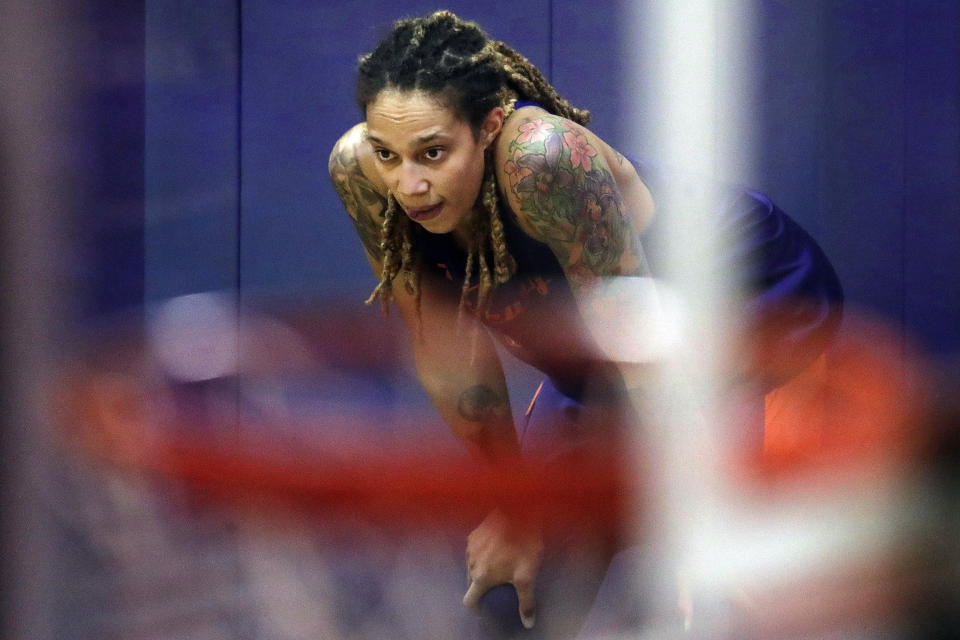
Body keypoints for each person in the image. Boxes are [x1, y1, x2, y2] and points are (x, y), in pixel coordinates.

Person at [328, 10, 842, 638]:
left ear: (489, 126)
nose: (409, 183)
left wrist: (684, 524)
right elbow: (444, 345)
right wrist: (513, 506)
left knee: (731, 590)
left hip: (747, 312)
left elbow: (637, 330)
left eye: (433, 153)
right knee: (519, 580)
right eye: (389, 154)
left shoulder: (542, 158)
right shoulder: (362, 175)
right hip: (603, 341)